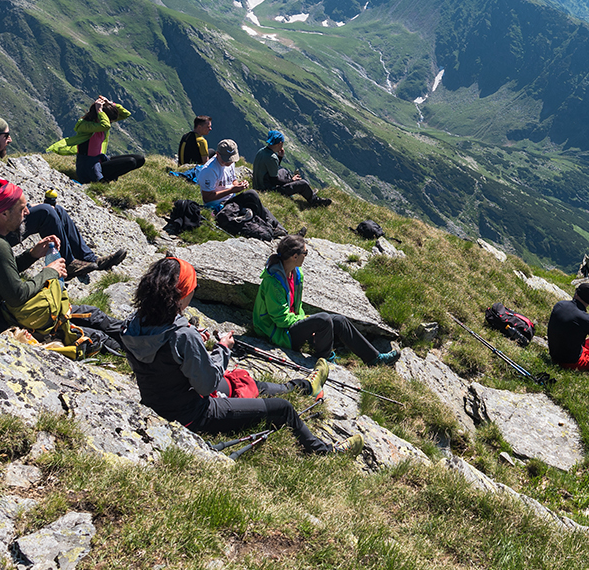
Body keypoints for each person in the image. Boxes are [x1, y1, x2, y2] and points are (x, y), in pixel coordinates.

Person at [121, 255, 360, 453]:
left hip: (158, 403)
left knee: (241, 381)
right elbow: (206, 385)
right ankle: (324, 452)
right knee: (282, 409)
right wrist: (223, 349)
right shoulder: (182, 336)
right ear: (182, 294)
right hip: (195, 414)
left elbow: (167, 361)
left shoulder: (133, 324)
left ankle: (306, 386)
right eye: (193, 288)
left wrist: (193, 342)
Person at [0, 177, 124, 349]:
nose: (27, 213)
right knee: (95, 334)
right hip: (0, 319)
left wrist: (32, 255)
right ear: (3, 214)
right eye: (22, 209)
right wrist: (50, 271)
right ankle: (134, 343)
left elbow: (0, 272)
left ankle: (132, 332)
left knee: (92, 314)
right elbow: (17, 295)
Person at [0, 113, 125, 275]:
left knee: (56, 209)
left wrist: (26, 209)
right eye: (6, 135)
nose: (10, 140)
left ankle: (90, 259)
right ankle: (68, 265)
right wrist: (25, 212)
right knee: (46, 213)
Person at [252, 235, 400, 366]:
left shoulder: (296, 273)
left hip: (289, 326)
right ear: (294, 257)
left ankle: (373, 359)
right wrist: (307, 322)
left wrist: (307, 324)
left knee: (339, 321)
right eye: (305, 253)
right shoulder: (273, 282)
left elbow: (296, 307)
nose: (306, 256)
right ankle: (324, 356)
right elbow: (281, 319)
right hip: (276, 332)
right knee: (323, 320)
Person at [48, 96, 146, 184]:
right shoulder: (84, 125)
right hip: (88, 167)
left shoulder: (101, 123)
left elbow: (126, 114)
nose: (110, 123)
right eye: (109, 119)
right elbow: (105, 125)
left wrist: (111, 104)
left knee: (140, 159)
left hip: (100, 160)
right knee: (131, 162)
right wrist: (99, 110)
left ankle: (107, 176)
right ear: (99, 116)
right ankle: (104, 180)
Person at [197, 139, 284, 230]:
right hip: (218, 205)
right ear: (217, 154)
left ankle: (276, 227)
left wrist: (239, 185)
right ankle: (273, 227)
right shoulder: (209, 170)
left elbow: (232, 179)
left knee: (255, 202)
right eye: (226, 160)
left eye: (231, 159)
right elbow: (207, 197)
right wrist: (232, 190)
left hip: (231, 199)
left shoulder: (229, 162)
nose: (229, 162)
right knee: (251, 195)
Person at [252, 130, 330, 206]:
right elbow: (274, 181)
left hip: (258, 185)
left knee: (283, 171)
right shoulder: (272, 157)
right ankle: (314, 201)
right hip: (267, 190)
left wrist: (280, 157)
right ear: (280, 143)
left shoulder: (262, 151)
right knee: (303, 183)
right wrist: (291, 180)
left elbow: (272, 169)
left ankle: (293, 190)